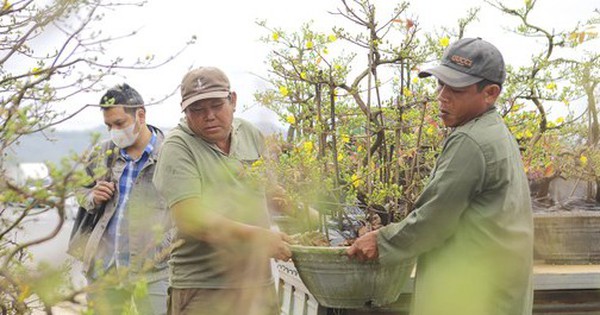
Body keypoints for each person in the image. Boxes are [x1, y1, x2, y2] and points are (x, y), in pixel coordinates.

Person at [347, 38, 534, 315]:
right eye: (440, 84)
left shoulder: (470, 141)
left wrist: (381, 241)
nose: (442, 95)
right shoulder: (494, 132)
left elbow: (433, 220)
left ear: (491, 93)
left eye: (456, 88)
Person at [152, 66, 292, 315]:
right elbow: (191, 219)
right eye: (197, 109)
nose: (209, 116)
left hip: (257, 284)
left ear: (233, 100)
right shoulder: (177, 147)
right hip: (204, 288)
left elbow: (270, 191)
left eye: (216, 105)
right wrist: (259, 237)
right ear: (185, 111)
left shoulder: (249, 133)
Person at [76, 83, 171, 315]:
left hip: (153, 267)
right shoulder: (102, 152)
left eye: (119, 124)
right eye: (108, 125)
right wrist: (92, 196)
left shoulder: (169, 153)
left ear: (140, 115)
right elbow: (79, 188)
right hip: (105, 267)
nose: (114, 131)